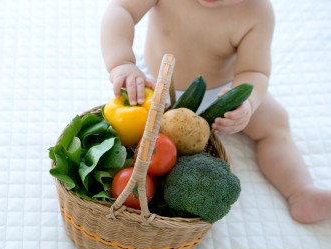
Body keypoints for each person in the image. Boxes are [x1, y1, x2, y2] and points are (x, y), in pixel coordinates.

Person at [100, 0, 331, 224]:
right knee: (123, 130)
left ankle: (300, 191)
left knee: (275, 123)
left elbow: (255, 71)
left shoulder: (257, 11)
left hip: (221, 94)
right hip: (157, 83)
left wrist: (247, 104)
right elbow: (122, 10)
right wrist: (122, 63)